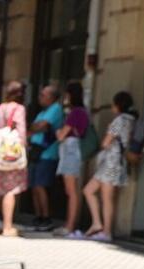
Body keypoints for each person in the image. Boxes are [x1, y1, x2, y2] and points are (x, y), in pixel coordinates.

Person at [81, 91, 137, 242]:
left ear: (118, 105)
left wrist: (108, 131)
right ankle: (98, 224)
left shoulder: (119, 121)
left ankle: (106, 232)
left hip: (111, 162)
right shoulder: (131, 120)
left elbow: (105, 143)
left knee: (105, 198)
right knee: (90, 191)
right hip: (116, 162)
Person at [0, 80, 28, 236]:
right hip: (11, 156)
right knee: (10, 189)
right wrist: (22, 149)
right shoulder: (19, 109)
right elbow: (21, 131)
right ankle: (7, 227)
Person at [55, 82, 90, 236]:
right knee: (72, 190)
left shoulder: (75, 112)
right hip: (74, 150)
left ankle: (69, 226)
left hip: (70, 150)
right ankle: (69, 225)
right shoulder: (82, 112)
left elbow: (62, 135)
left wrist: (57, 132)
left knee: (71, 191)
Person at [28, 85, 63, 228]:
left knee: (41, 185)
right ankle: (38, 216)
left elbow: (41, 126)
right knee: (34, 186)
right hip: (36, 151)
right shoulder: (43, 112)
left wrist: (35, 127)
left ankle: (46, 216)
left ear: (51, 97)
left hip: (47, 153)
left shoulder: (55, 109)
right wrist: (35, 127)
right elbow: (33, 128)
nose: (40, 97)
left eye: (43, 95)